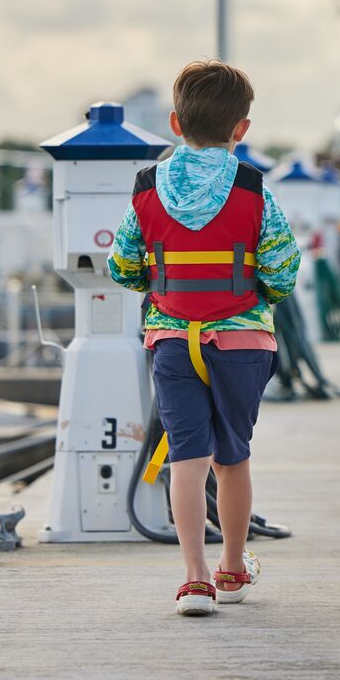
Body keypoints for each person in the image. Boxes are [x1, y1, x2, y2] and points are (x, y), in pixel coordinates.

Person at [106, 60, 301, 616]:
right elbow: (282, 272)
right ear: (241, 129)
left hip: (170, 339)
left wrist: (158, 281)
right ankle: (233, 568)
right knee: (232, 458)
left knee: (187, 460)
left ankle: (194, 579)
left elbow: (122, 265)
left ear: (174, 122)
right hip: (240, 344)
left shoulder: (146, 188)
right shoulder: (253, 188)